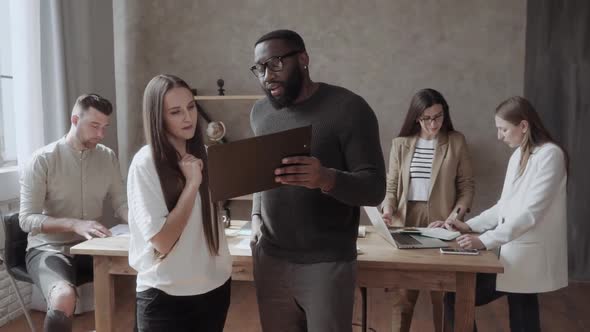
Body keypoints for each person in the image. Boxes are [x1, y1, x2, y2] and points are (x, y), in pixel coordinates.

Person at [248, 29, 386, 332]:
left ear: (303, 59)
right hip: (270, 260)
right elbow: (264, 176)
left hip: (327, 263)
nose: (266, 76)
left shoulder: (349, 108)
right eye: (259, 68)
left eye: (275, 64)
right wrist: (256, 216)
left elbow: (375, 188)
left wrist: (326, 178)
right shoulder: (260, 113)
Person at [432, 96, 568, 332]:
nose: (499, 136)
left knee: (511, 310)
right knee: (520, 313)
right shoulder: (518, 155)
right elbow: (504, 205)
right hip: (514, 251)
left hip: (528, 254)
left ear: (523, 126)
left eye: (503, 129)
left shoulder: (550, 156)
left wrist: (483, 240)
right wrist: (468, 225)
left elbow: (530, 214)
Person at [127, 74, 232, 332]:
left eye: (191, 107)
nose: (188, 117)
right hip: (165, 294)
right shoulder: (145, 164)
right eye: (175, 112)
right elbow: (163, 241)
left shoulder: (206, 156)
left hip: (214, 287)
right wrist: (192, 185)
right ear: (158, 117)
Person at [19, 94, 128, 332]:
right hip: (49, 249)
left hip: (93, 247)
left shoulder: (107, 157)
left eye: (105, 127)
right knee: (63, 297)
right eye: (94, 126)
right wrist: (74, 224)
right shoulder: (42, 160)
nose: (101, 134)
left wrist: (145, 224)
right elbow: (26, 219)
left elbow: (121, 203)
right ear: (75, 119)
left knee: (145, 279)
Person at [381, 88, 474, 332]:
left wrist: (453, 220)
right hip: (406, 220)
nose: (433, 123)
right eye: (427, 118)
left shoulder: (456, 141)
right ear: (416, 117)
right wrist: (388, 209)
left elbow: (466, 187)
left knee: (442, 295)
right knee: (402, 295)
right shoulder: (400, 144)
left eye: (438, 116)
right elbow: (391, 187)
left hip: (441, 224)